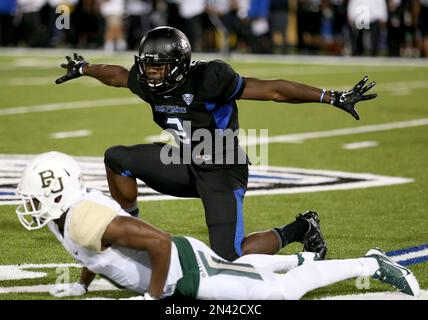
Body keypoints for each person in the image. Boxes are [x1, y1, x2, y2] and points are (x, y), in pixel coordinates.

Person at [55, 26, 376, 262]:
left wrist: (331, 97)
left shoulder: (210, 79)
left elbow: (274, 91)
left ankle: (302, 228)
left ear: (179, 65)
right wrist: (85, 68)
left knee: (230, 256)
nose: (150, 75)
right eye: (147, 67)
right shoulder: (146, 80)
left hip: (223, 167)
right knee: (117, 158)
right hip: (183, 161)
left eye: (158, 68)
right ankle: (131, 233)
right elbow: (116, 75)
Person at [15, 152, 420, 300]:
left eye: (34, 196)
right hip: (181, 268)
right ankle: (300, 257)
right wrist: (81, 285)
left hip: (188, 274)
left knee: (279, 295)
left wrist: (155, 297)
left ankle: (372, 265)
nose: (29, 204)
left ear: (56, 193)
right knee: (248, 274)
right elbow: (97, 251)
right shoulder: (67, 216)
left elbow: (157, 241)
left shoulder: (83, 219)